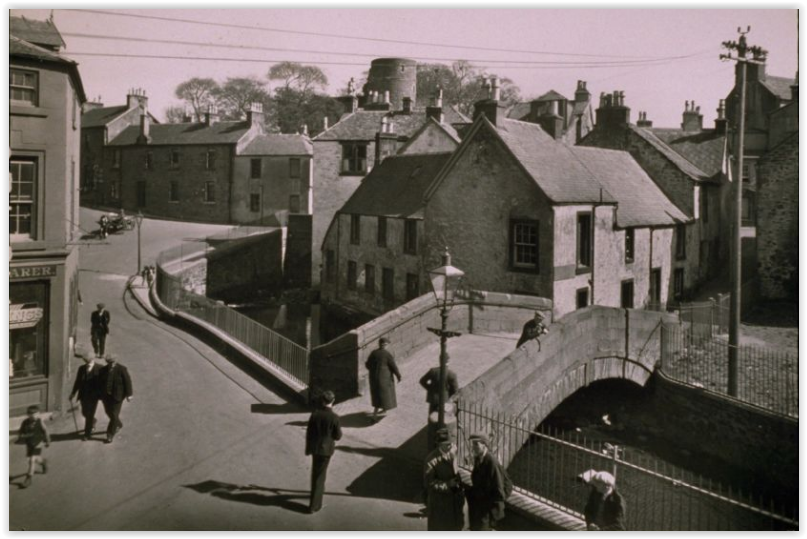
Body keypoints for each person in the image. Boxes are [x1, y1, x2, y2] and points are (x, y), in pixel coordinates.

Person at [305, 390, 342, 514]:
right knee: (320, 477)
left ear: (322, 401)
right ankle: (314, 505)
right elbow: (338, 436)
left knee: (316, 475)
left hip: (315, 449)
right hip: (326, 451)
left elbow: (309, 433)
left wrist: (308, 449)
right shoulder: (334, 417)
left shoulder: (315, 414)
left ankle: (316, 502)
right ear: (333, 400)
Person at [423, 428, 465, 531]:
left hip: (455, 501)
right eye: (447, 444)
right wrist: (447, 484)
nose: (451, 446)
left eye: (451, 443)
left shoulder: (453, 452)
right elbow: (430, 483)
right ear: (440, 445)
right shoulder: (431, 460)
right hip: (440, 504)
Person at [465, 433, 508, 531]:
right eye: (473, 444)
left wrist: (486, 506)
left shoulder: (491, 462)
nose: (473, 447)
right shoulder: (478, 458)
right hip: (480, 504)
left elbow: (499, 490)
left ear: (484, 445)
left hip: (488, 509)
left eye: (476, 444)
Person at [365, 337, 401, 421]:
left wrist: (374, 370)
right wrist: (398, 376)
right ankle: (374, 417)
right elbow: (393, 367)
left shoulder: (373, 353)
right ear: (385, 345)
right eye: (387, 344)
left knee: (378, 396)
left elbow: (367, 365)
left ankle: (384, 409)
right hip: (384, 379)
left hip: (374, 378)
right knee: (381, 397)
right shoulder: (387, 354)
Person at [99, 354, 133, 444]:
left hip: (117, 396)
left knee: (114, 415)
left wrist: (129, 395)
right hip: (106, 397)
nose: (111, 364)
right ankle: (118, 424)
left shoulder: (122, 369)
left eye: (113, 363)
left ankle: (110, 434)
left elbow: (127, 382)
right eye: (109, 363)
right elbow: (100, 383)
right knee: (108, 412)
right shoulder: (103, 370)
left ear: (115, 361)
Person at [70, 350, 102, 441]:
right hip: (83, 395)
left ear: (91, 359)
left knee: (89, 414)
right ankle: (93, 421)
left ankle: (87, 434)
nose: (84, 360)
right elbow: (77, 382)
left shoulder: (100, 368)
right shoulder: (81, 368)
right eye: (84, 359)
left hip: (94, 396)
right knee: (84, 412)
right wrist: (73, 393)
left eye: (85, 359)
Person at [17, 405, 50, 489]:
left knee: (32, 460)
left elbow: (45, 430)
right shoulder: (25, 422)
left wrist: (47, 440)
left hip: (38, 442)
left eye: (36, 414)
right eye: (31, 414)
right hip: (29, 443)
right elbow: (21, 432)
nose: (34, 416)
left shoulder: (40, 421)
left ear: (39, 414)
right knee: (34, 459)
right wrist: (22, 436)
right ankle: (43, 462)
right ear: (28, 415)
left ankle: (28, 479)